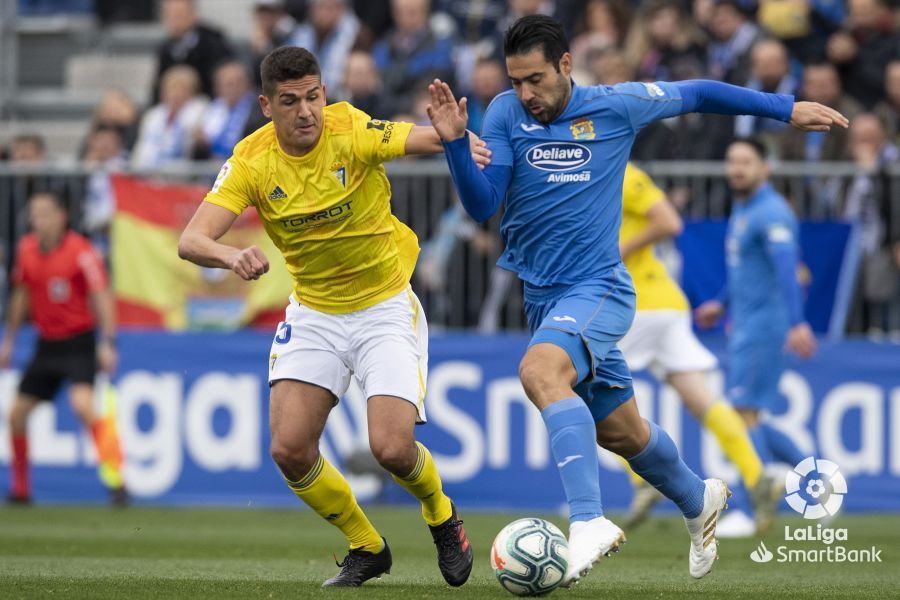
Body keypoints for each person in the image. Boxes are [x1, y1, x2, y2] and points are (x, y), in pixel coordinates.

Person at [426, 14, 846, 586]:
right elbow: (482, 204)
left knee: (540, 372)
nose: (526, 94)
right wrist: (456, 144)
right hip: (543, 297)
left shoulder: (618, 104)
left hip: (599, 287)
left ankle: (588, 521)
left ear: (566, 65)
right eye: (516, 81)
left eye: (536, 80)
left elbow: (698, 92)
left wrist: (784, 107)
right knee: (620, 432)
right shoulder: (503, 113)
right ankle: (698, 498)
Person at [177, 46, 489, 588]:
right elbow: (192, 240)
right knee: (289, 449)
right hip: (315, 311)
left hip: (383, 306)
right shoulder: (252, 160)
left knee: (391, 448)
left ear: (324, 93)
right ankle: (367, 546)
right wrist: (230, 255)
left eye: (313, 97)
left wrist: (451, 135)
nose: (306, 112)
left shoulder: (350, 129)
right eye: (290, 101)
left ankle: (442, 515)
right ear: (267, 105)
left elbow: (417, 138)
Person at [615, 163, 779, 534]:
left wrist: (619, 250)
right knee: (701, 399)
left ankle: (642, 483)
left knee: (591, 391)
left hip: (637, 304)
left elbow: (669, 222)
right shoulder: (593, 168)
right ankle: (758, 476)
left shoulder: (622, 172)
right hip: (664, 304)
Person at [695, 138, 820, 536]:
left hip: (765, 327)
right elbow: (748, 268)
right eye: (732, 161)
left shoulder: (772, 212)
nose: (736, 169)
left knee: (741, 416)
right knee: (750, 418)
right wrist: (721, 303)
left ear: (766, 168)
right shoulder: (745, 208)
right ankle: (820, 487)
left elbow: (788, 270)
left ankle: (751, 511)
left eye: (746, 162)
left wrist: (797, 323)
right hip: (746, 324)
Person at [1, 192, 126, 505]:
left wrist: (108, 342)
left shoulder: (81, 252)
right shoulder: (26, 249)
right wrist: (9, 341)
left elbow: (101, 295)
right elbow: (21, 295)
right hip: (46, 344)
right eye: (34, 214)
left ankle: (117, 480)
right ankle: (21, 490)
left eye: (45, 213)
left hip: (78, 342)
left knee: (83, 406)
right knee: (16, 415)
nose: (38, 220)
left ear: (62, 216)